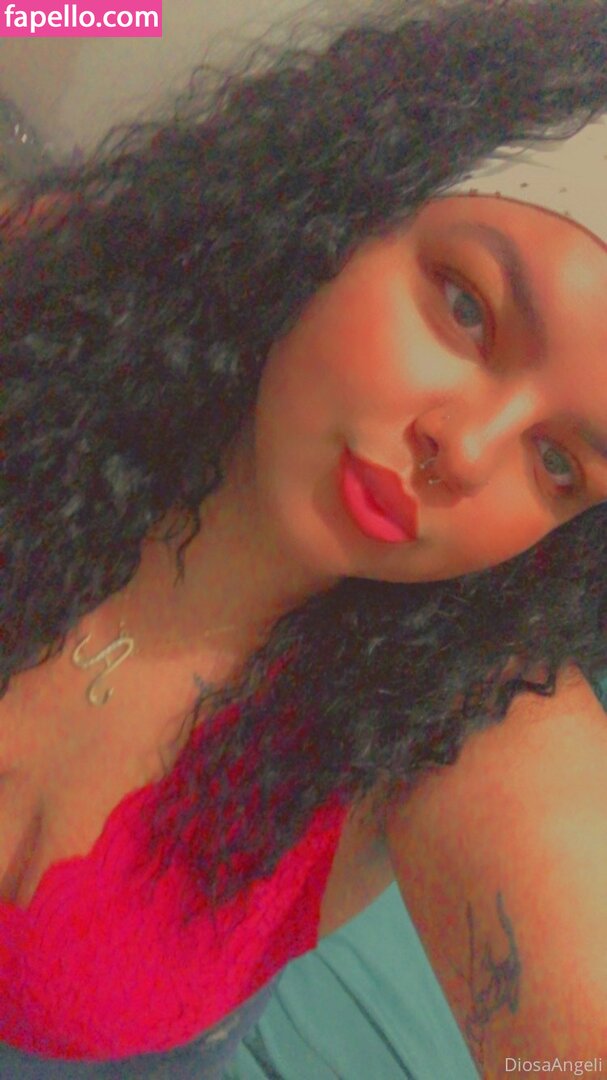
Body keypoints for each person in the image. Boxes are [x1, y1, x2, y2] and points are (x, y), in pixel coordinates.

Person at [0, 0, 605, 1074]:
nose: (465, 451)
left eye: (558, 462)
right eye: (467, 308)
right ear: (340, 210)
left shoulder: (454, 709)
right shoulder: (46, 304)